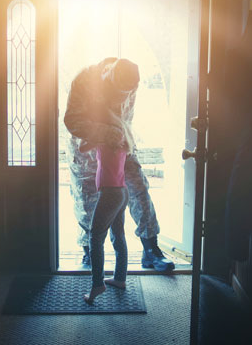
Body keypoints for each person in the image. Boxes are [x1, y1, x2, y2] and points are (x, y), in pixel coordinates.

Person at [64, 57, 174, 271]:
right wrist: (106, 133)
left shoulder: (131, 81)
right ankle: (89, 252)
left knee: (139, 189)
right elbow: (71, 120)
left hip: (118, 142)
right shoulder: (84, 79)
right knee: (88, 198)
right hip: (85, 145)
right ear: (106, 76)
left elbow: (126, 117)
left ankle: (150, 249)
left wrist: (121, 139)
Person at [82, 108, 132, 303]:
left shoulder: (102, 140)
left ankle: (97, 285)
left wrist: (91, 131)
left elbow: (81, 147)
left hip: (110, 193)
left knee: (95, 238)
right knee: (118, 235)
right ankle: (120, 278)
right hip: (121, 191)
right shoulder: (123, 139)